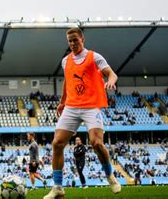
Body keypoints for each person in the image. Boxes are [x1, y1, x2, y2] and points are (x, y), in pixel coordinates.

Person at [44, 27, 121, 199]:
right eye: (69, 41)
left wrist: (110, 81)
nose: (72, 43)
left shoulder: (95, 57)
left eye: (75, 40)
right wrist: (62, 102)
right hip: (72, 106)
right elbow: (67, 82)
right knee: (57, 143)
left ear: (82, 39)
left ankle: (110, 176)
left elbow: (112, 74)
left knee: (96, 143)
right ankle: (57, 187)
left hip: (91, 106)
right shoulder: (65, 61)